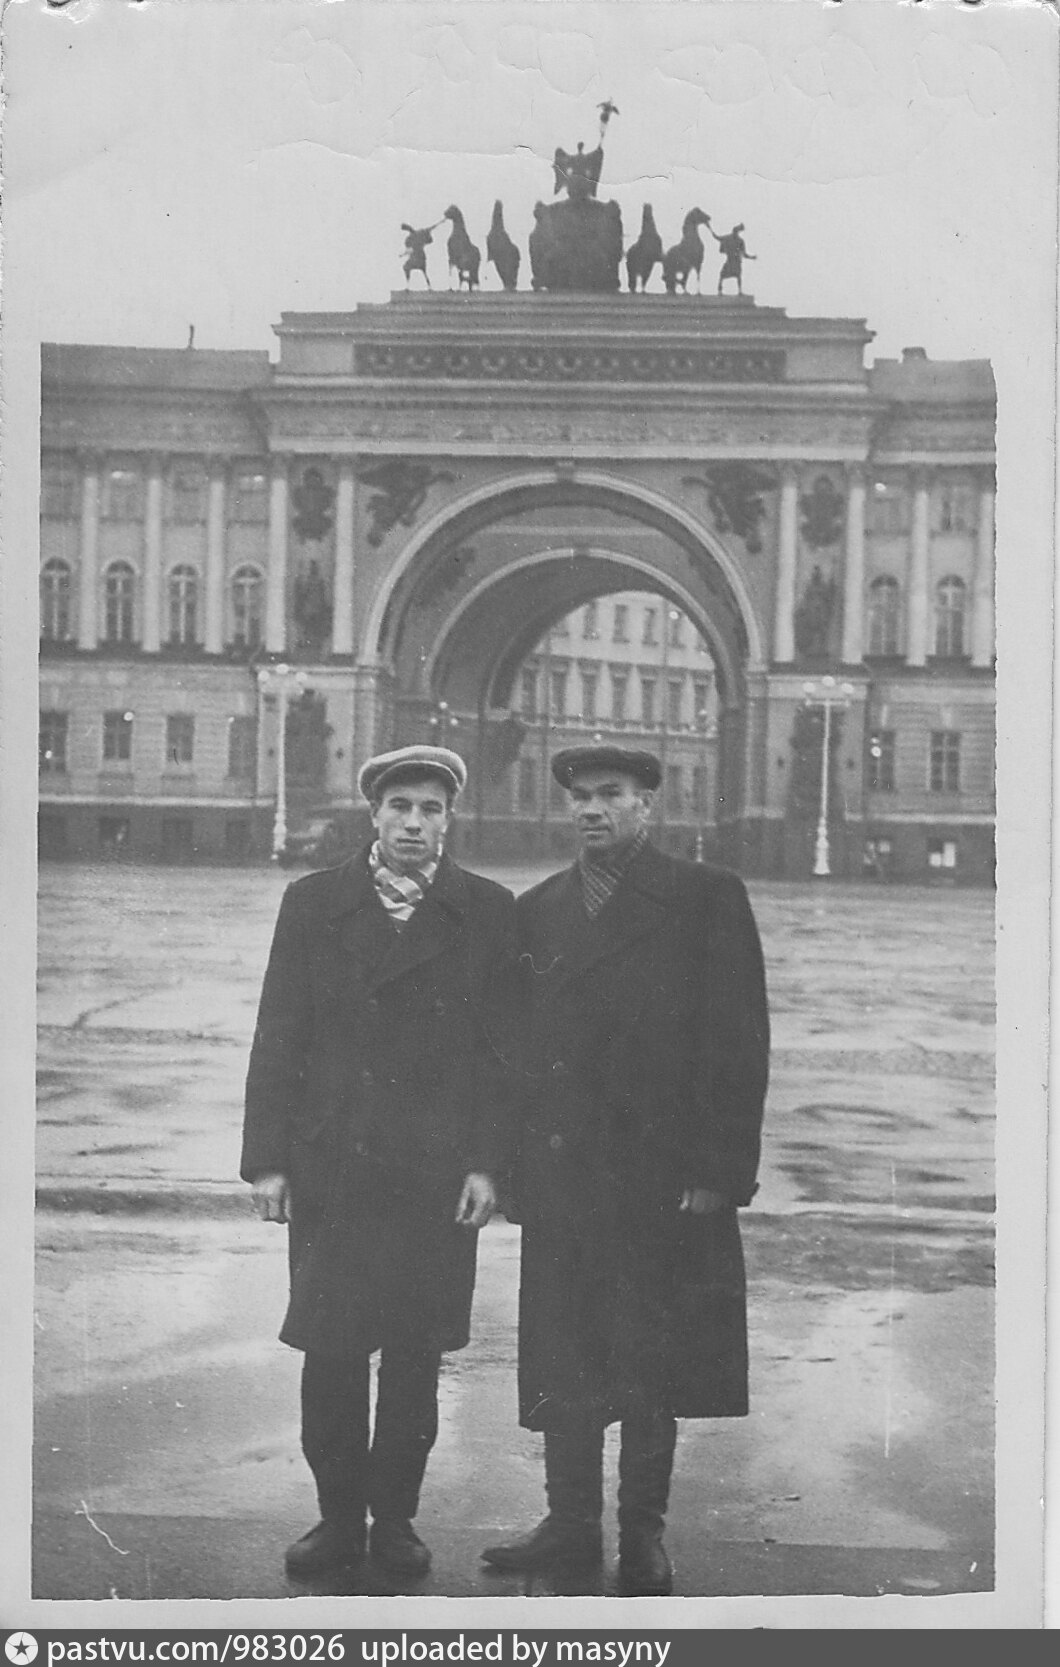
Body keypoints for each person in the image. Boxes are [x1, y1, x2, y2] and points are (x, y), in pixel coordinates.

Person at [481, 745, 769, 1596]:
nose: (591, 809)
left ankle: (642, 1531)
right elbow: (511, 1052)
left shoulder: (706, 897)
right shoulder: (538, 909)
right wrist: (511, 1167)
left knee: (651, 1359)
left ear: (650, 803)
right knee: (564, 1354)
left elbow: (738, 1042)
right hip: (566, 1175)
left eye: (611, 794)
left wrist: (719, 1168)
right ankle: (570, 1523)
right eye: (580, 796)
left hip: (663, 1177)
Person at [241, 745, 521, 1584]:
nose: (414, 823)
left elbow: (501, 1053)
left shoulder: (486, 909)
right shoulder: (313, 902)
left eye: (431, 808)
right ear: (374, 813)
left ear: (450, 818)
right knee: (330, 1351)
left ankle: (395, 1519)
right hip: (333, 1163)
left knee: (413, 1353)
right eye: (400, 805)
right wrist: (268, 1162)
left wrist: (488, 1165)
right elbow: (279, 1034)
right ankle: (336, 1518)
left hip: (435, 1172)